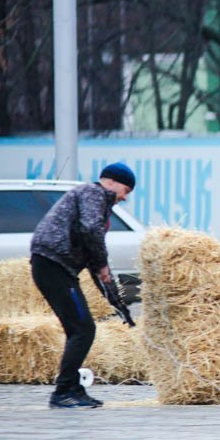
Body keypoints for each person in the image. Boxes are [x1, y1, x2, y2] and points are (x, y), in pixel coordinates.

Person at [30, 162, 135, 409]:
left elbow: (92, 256)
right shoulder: (93, 193)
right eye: (126, 190)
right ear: (111, 181)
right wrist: (103, 265)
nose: (125, 197)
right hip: (54, 265)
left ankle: (74, 389)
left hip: (55, 266)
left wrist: (117, 303)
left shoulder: (95, 202)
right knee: (83, 329)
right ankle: (62, 392)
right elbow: (91, 232)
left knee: (78, 329)